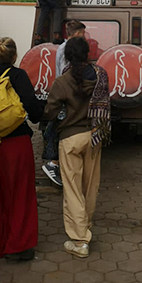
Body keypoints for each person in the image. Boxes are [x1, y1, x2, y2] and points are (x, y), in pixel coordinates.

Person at [0, 37, 45, 260]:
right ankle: (18, 246)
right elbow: (33, 109)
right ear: (14, 57)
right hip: (16, 144)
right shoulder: (18, 76)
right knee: (20, 192)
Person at [44, 36, 110, 258]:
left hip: (71, 139)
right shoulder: (101, 75)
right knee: (90, 187)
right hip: (95, 136)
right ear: (89, 53)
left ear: (68, 56)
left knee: (71, 190)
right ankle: (86, 225)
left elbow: (50, 113)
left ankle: (80, 240)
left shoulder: (62, 81)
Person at [42, 20, 87, 187]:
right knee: (59, 127)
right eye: (82, 34)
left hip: (64, 92)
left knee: (60, 126)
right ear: (76, 34)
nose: (84, 37)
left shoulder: (64, 48)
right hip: (66, 94)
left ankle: (56, 163)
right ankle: (53, 163)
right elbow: (64, 71)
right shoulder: (66, 49)